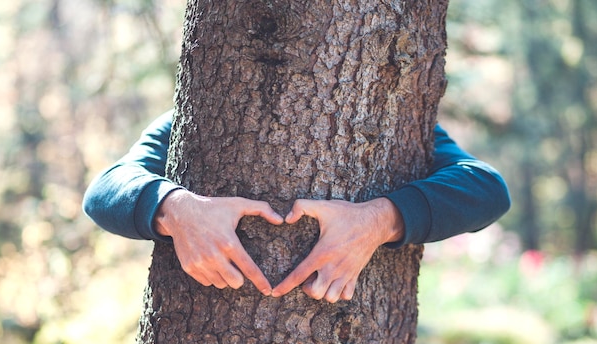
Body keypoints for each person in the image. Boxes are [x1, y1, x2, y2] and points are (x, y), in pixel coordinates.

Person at [83, 110, 510, 303]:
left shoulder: (397, 121)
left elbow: (488, 189)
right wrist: (175, 208)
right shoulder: (190, 120)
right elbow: (104, 190)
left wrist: (381, 219)